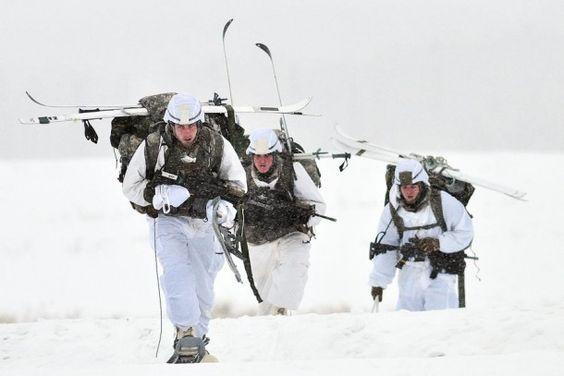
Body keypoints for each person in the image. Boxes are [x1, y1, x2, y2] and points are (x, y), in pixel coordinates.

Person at [122, 93, 247, 363]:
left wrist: (225, 207)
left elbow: (238, 183)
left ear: (200, 123)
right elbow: (130, 187)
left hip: (205, 222)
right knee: (177, 273)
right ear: (171, 124)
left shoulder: (216, 143)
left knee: (203, 283)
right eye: (181, 126)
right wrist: (158, 194)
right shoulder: (153, 145)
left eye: (191, 126)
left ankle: (197, 340)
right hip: (167, 221)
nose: (186, 131)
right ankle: (185, 333)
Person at [369, 159, 473, 311]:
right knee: (407, 325)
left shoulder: (444, 203)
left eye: (413, 187)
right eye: (405, 187)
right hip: (409, 276)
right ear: (399, 188)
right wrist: (379, 282)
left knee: (441, 323)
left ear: (422, 185)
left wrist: (439, 243)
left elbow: (465, 233)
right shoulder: (392, 210)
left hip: (441, 274)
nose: (409, 192)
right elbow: (387, 247)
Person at [243, 128, 326, 315]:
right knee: (263, 295)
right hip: (256, 239)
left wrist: (296, 213)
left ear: (274, 154)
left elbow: (319, 208)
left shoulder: (292, 171)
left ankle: (282, 310)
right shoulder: (242, 175)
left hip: (291, 233)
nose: (262, 161)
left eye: (266, 156)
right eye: (257, 156)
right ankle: (268, 328)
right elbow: (229, 210)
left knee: (294, 265)